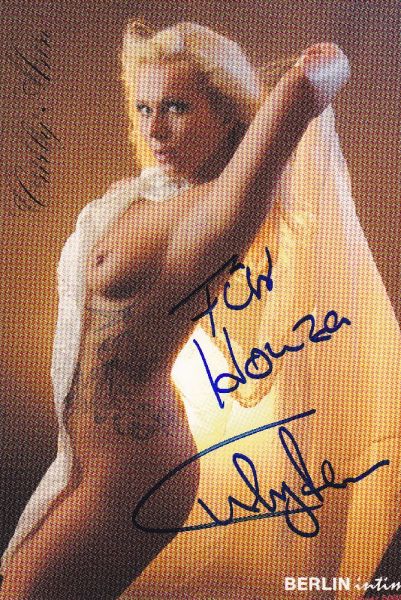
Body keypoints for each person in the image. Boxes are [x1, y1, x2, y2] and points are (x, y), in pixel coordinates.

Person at [1, 21, 400, 599]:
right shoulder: (147, 195)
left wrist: (314, 70)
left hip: (135, 469)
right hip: (86, 455)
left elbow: (312, 81)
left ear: (227, 114)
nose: (154, 128)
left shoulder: (223, 207)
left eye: (177, 107)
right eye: (145, 108)